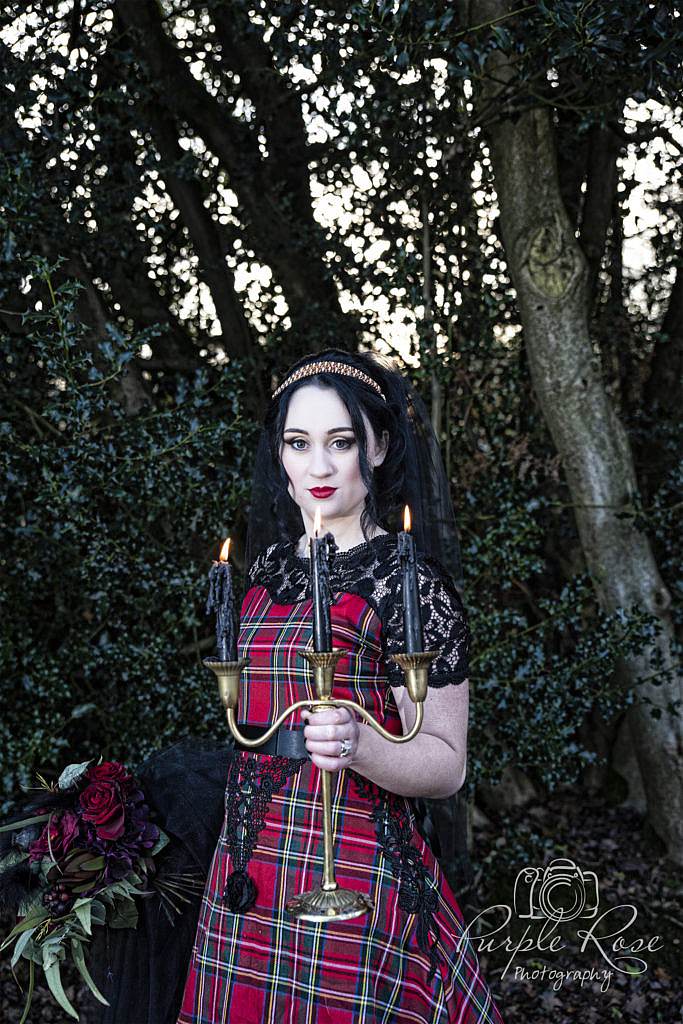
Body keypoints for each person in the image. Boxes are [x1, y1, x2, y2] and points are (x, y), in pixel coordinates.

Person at [176, 349, 505, 1024]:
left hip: (353, 873)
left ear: (378, 446)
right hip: (247, 872)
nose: (318, 467)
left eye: (340, 442)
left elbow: (446, 765)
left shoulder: (408, 585)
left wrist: (362, 745)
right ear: (279, 454)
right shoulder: (264, 574)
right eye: (298, 443)